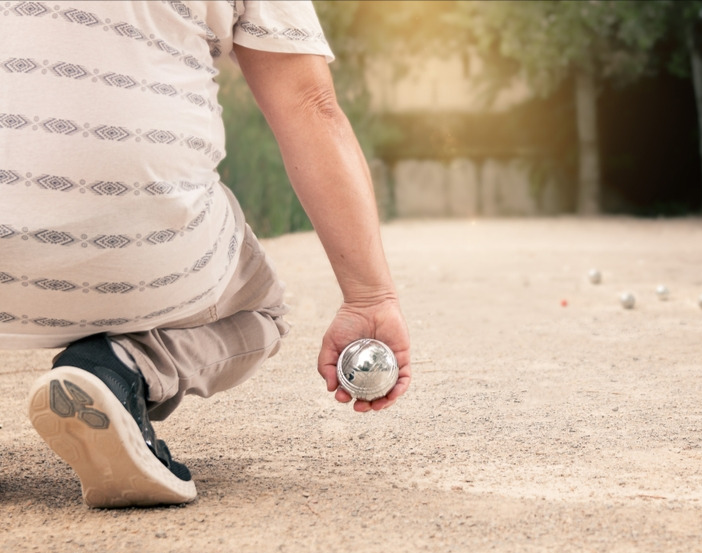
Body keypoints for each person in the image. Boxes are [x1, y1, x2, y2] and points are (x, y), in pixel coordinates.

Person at [0, 0, 411, 508]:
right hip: (141, 250)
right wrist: (370, 297)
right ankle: (117, 367)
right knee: (258, 310)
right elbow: (308, 106)